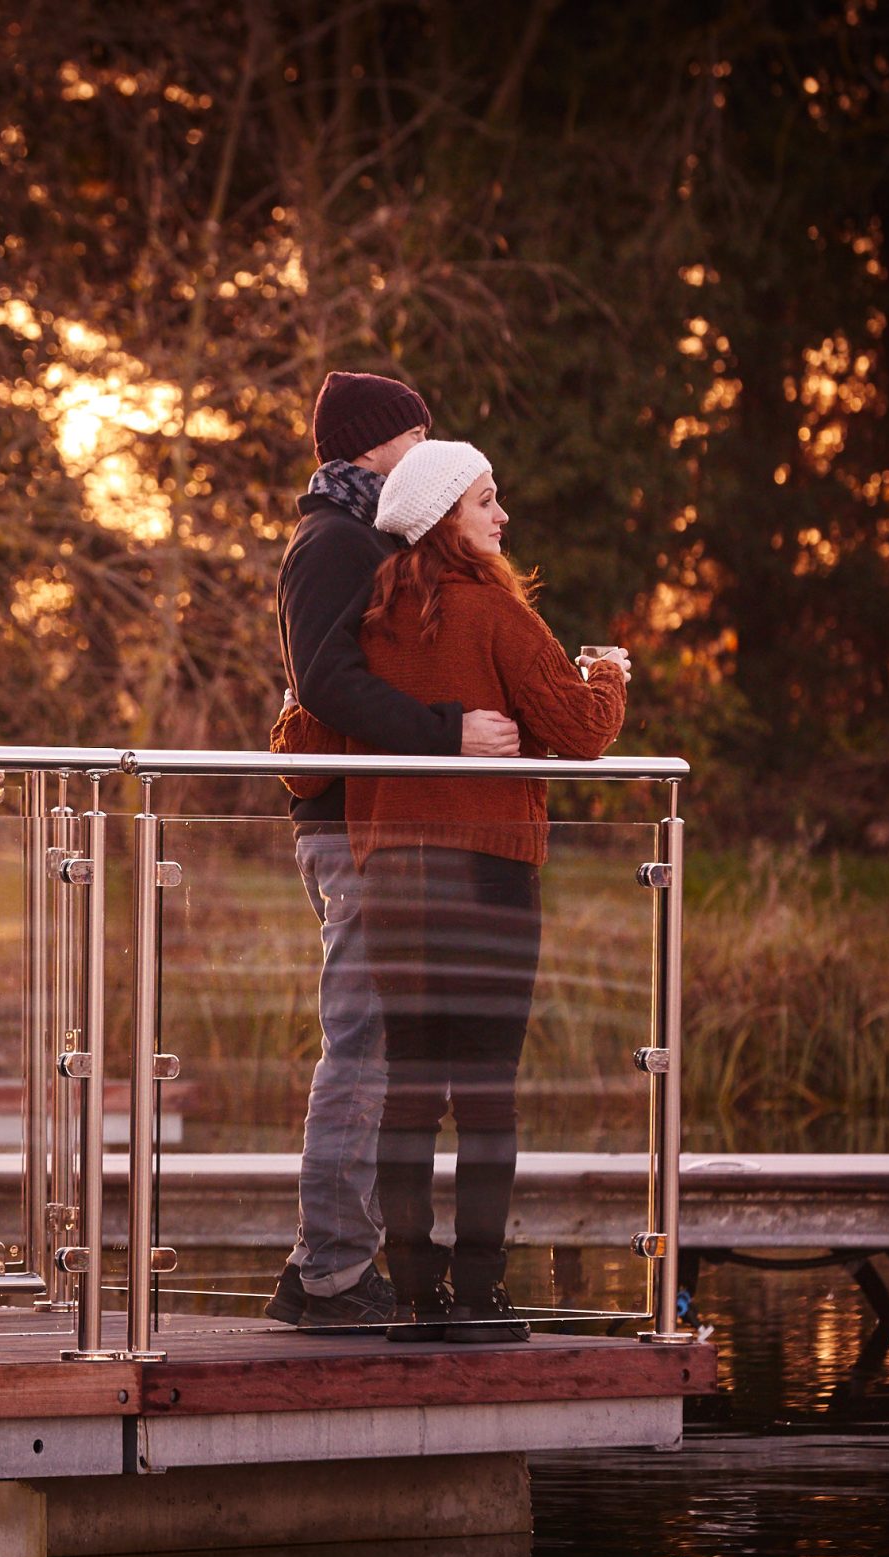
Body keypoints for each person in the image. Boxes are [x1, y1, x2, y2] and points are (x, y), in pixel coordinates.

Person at [343, 439, 628, 1342]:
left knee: (410, 1087)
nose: (502, 516)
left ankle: (413, 1291)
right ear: (444, 520)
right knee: (487, 1089)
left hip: (393, 874)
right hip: (487, 873)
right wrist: (608, 672)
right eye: (485, 501)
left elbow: (305, 730)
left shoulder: (370, 619)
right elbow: (583, 731)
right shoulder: (495, 611)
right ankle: (478, 1294)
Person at [265, 373, 521, 1331]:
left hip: (382, 825)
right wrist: (448, 733)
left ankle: (335, 1264)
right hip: (350, 826)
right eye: (418, 432)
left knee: (379, 1041)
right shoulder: (332, 542)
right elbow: (326, 681)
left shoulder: (375, 538)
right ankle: (329, 1273)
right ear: (376, 443)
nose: (429, 447)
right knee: (365, 1041)